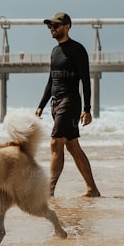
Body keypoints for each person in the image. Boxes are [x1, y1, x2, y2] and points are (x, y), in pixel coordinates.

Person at [35, 12, 101, 198]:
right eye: (50, 26)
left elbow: (86, 81)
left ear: (67, 26)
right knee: (73, 147)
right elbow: (51, 80)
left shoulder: (77, 50)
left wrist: (87, 109)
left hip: (70, 102)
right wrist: (41, 104)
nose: (52, 29)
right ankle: (92, 189)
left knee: (56, 142)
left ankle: (48, 192)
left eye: (55, 26)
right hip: (56, 104)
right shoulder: (55, 52)